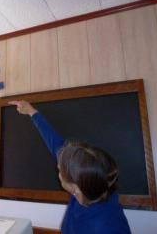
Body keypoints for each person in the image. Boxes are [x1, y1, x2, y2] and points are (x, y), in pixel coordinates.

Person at [9, 100, 132, 234]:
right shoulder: (89, 187)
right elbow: (54, 142)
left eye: (60, 169)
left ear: (76, 187)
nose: (58, 166)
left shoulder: (107, 228)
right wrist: (31, 112)